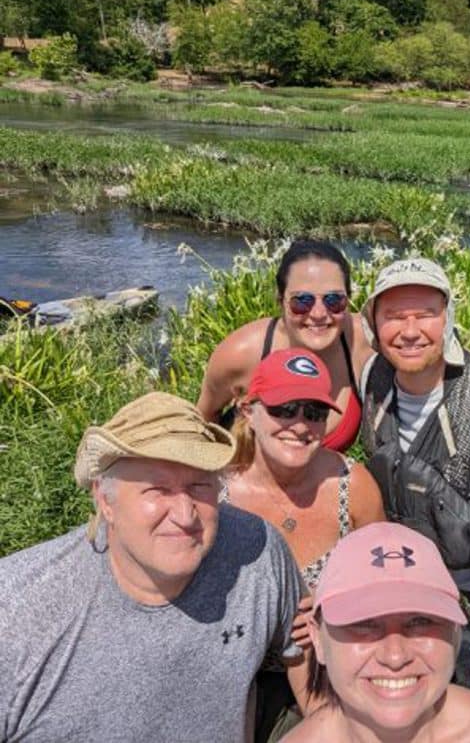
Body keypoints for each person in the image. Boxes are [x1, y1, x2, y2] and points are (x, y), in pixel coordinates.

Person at [0, 392, 304, 741]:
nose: (185, 513)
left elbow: (309, 665)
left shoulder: (255, 550)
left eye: (200, 485)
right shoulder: (16, 611)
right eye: (158, 489)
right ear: (104, 499)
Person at [358, 258, 470, 686]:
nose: (410, 331)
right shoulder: (372, 375)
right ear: (372, 325)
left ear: (449, 320)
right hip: (401, 573)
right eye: (392, 316)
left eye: (425, 314)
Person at [281, 522, 470, 743]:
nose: (395, 656)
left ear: (456, 632)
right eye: (364, 624)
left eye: (420, 622)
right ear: (317, 639)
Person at [224, 347, 386, 740]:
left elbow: (385, 582)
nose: (299, 425)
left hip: (335, 671)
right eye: (284, 408)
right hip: (241, 676)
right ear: (249, 411)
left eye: (313, 413)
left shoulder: (353, 484)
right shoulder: (216, 495)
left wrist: (339, 606)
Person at [198, 239, 371, 452]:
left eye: (334, 300)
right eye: (302, 301)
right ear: (280, 301)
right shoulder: (242, 353)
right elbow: (202, 424)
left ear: (349, 300)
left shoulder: (363, 340)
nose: (318, 314)